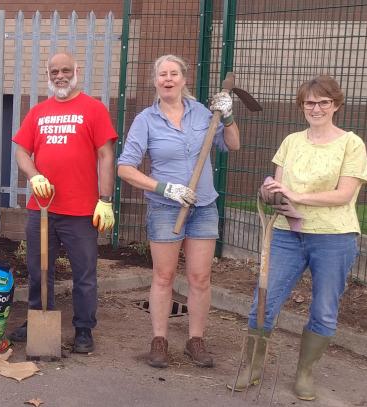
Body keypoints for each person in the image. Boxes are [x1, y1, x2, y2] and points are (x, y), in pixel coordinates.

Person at [229, 76, 367, 401]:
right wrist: (270, 193)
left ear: (336, 104)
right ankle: (252, 367)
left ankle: (305, 373)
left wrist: (296, 194)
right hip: (286, 234)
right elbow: (279, 191)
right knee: (264, 300)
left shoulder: (351, 144)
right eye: (309, 102)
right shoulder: (291, 141)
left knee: (323, 309)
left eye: (323, 102)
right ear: (302, 106)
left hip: (334, 237)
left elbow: (344, 195)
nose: (316, 108)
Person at [117, 54, 241, 368]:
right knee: (164, 276)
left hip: (203, 206)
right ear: (155, 81)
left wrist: (226, 118)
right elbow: (125, 168)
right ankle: (159, 341)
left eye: (174, 74)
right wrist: (164, 188)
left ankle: (195, 340)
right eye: (162, 74)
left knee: (200, 278)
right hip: (165, 209)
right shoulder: (146, 119)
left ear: (184, 79)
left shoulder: (203, 114)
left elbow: (233, 144)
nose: (168, 79)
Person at [8, 52, 118, 353]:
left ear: (76, 71)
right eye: (54, 71)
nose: (60, 76)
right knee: (38, 269)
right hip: (41, 208)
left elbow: (107, 155)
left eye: (65, 70)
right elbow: (21, 151)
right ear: (48, 74)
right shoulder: (39, 112)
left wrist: (105, 200)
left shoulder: (94, 109)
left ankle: (83, 329)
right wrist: (33, 175)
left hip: (81, 211)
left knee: (84, 273)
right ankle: (38, 317)